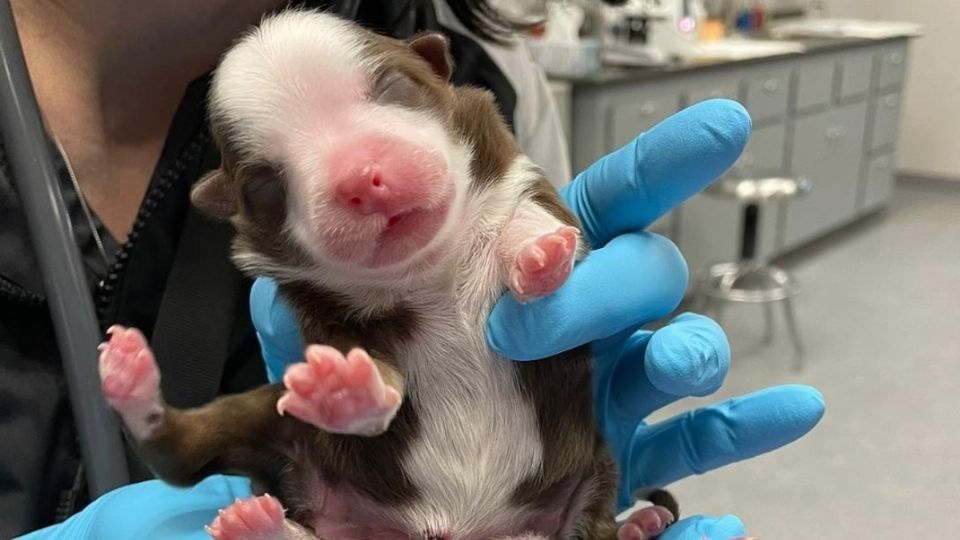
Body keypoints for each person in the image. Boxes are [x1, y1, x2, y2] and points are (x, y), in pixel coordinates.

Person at [0, 0, 824, 538]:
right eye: (276, 180)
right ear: (238, 210)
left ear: (434, 71)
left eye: (387, 97)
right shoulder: (311, 289)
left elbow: (529, 215)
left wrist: (538, 247)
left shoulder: (490, 65)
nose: (361, 176)